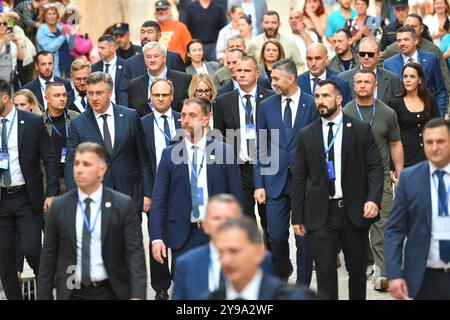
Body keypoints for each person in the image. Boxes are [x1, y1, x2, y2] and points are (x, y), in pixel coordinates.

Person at [292, 79, 384, 300]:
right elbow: (300, 177)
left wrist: (373, 199)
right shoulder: (307, 134)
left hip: (353, 212)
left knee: (356, 271)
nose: (320, 101)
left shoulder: (360, 129)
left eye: (325, 96)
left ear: (339, 98)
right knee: (324, 273)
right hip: (321, 214)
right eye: (317, 97)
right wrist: (297, 216)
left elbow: (375, 167)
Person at [38, 142, 147, 300]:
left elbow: (134, 253)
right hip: (72, 292)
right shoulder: (59, 207)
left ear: (102, 169)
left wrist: (137, 294)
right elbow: (48, 257)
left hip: (111, 291)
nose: (79, 170)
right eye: (76, 164)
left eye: (86, 164)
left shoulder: (122, 205)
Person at [150, 98, 243, 273]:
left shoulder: (224, 151)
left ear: (207, 119)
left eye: (192, 115)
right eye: (183, 115)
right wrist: (156, 238)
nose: (186, 120)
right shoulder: (169, 155)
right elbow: (159, 200)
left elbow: (235, 198)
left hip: (218, 234)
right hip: (182, 236)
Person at [254, 58, 318, 285]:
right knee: (276, 236)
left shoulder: (311, 104)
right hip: (274, 182)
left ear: (291, 79)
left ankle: (302, 287)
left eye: (275, 78)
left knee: (303, 238)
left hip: (305, 183)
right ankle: (283, 273)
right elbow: (260, 145)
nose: (272, 82)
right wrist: (259, 183)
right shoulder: (266, 106)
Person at [343, 69, 404, 291]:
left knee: (382, 223)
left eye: (366, 82)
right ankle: (366, 262)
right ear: (353, 85)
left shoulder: (387, 113)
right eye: (358, 82)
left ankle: (383, 271)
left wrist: (400, 171)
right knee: (358, 225)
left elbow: (395, 143)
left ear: (374, 85)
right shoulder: (346, 112)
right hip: (354, 179)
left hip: (382, 176)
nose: (362, 85)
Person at [0, 79, 59, 300]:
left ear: (5, 98)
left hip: (27, 197)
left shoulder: (32, 122)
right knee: (5, 258)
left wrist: (51, 192)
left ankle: (45, 290)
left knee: (33, 249)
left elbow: (50, 158)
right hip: (2, 199)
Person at [65, 72, 152, 219]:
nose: (94, 98)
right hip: (95, 197)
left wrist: (147, 194)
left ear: (110, 92)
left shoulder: (130, 116)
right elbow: (71, 164)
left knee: (131, 241)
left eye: (99, 93)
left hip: (130, 195)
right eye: (90, 93)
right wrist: (76, 198)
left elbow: (143, 159)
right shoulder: (78, 124)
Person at [385, 118, 450, 300]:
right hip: (424, 277)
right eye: (429, 142)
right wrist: (395, 273)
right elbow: (394, 231)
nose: (434, 147)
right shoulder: (409, 179)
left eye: (441, 141)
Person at [214, 55, 275, 247]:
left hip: (265, 166)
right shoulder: (223, 101)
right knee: (245, 220)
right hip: (239, 168)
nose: (241, 74)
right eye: (238, 70)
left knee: (270, 220)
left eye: (246, 70)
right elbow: (219, 137)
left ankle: (274, 262)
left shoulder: (271, 98)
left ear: (257, 73)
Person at [173, 194, 274, 300]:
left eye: (229, 218)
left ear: (240, 222)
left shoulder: (260, 258)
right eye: (217, 218)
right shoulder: (186, 264)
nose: (223, 224)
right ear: (205, 225)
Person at [140, 78, 181, 300]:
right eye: (156, 95)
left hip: (181, 187)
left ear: (172, 96)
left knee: (182, 233)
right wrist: (146, 192)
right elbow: (142, 161)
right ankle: (161, 286)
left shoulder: (182, 120)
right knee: (157, 234)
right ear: (151, 98)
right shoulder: (143, 123)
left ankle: (180, 278)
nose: (161, 99)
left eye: (165, 95)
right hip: (155, 187)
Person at [208, 217, 316, 300]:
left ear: (259, 253)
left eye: (235, 251)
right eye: (220, 253)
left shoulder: (297, 297)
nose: (226, 260)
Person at [380, 14, 450, 104]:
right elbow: (386, 95)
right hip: (400, 114)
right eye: (399, 40)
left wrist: (440, 113)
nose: (402, 43)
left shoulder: (431, 57)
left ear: (416, 41)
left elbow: (440, 90)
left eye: (406, 39)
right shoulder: (388, 64)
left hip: (428, 111)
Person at [116, 20, 186, 107]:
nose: (145, 36)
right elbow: (123, 93)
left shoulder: (173, 58)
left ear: (159, 35)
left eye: (150, 32)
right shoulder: (130, 63)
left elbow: (183, 87)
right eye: (142, 32)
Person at [388, 63, 442, 167]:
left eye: (412, 76)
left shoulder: (430, 100)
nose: (407, 80)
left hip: (429, 156)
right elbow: (391, 138)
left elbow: (437, 128)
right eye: (405, 76)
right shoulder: (394, 103)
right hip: (405, 158)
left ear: (420, 80)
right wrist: (392, 166)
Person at [127, 42, 191, 117]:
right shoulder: (134, 85)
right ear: (144, 59)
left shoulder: (184, 80)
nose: (152, 60)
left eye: (156, 56)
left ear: (164, 58)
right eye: (148, 57)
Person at [338, 37, 402, 103]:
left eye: (370, 54)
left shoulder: (393, 79)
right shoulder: (343, 78)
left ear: (379, 55)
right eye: (362, 54)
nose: (366, 57)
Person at [43, 81, 79, 194]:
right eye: (57, 95)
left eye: (64, 95)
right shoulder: (38, 123)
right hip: (47, 181)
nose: (62, 98)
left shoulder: (77, 119)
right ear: (47, 98)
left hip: (73, 179)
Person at [36, 3, 74, 78]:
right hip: (52, 68)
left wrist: (73, 35)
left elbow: (71, 47)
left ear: (57, 15)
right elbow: (48, 49)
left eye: (54, 13)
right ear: (44, 16)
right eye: (49, 14)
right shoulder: (42, 30)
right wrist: (62, 37)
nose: (52, 16)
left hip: (66, 67)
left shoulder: (60, 27)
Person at [91, 34, 125, 104]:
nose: (99, 51)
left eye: (102, 48)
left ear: (113, 49)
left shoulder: (125, 66)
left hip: (121, 108)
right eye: (98, 48)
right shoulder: (94, 68)